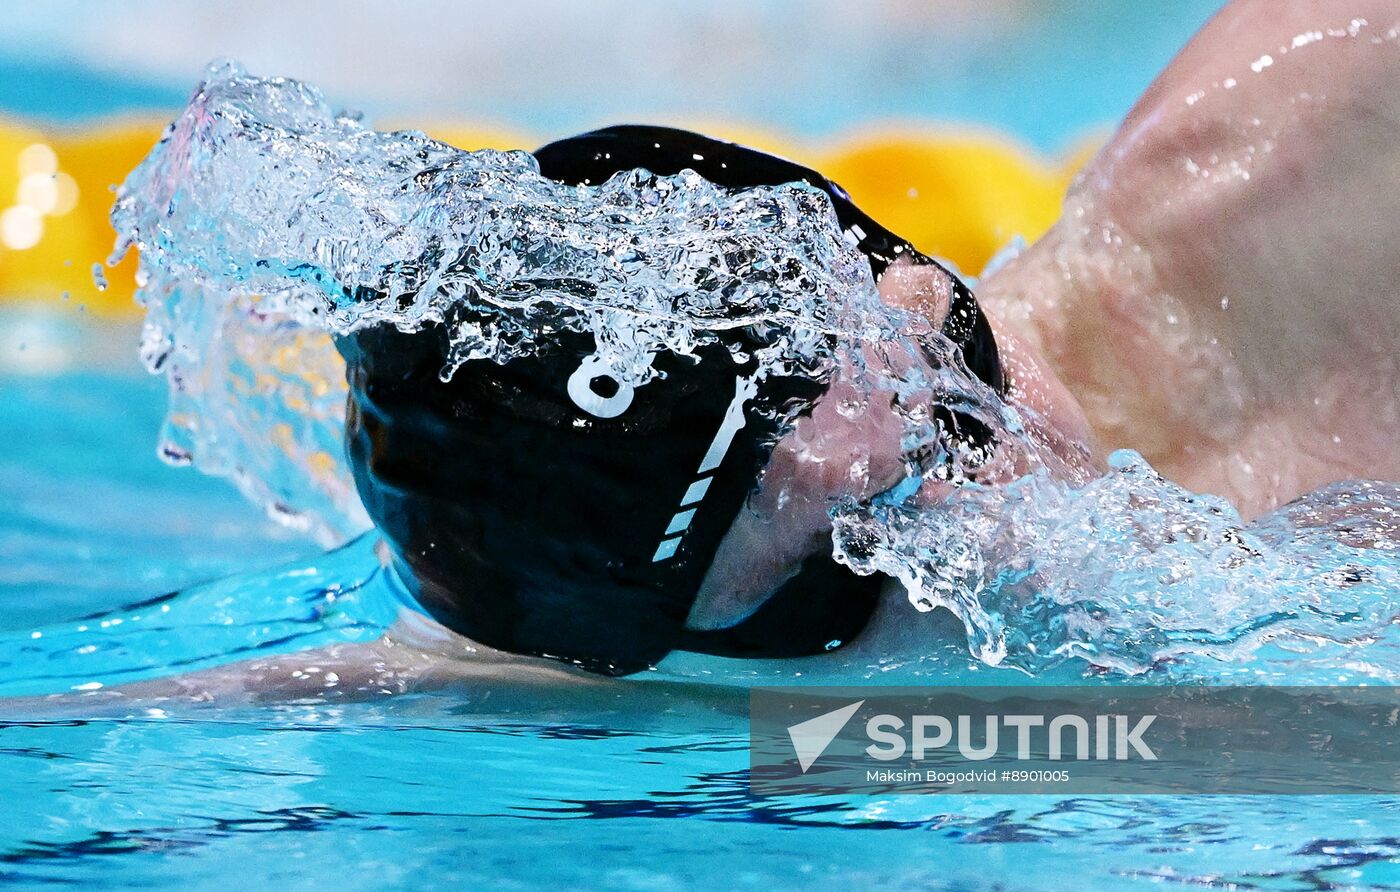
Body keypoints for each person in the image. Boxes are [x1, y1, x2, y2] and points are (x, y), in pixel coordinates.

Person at [62, 0, 1400, 700]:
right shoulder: (695, 662)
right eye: (848, 571)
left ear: (906, 283)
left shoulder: (1327, 134)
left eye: (934, 433)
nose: (987, 536)